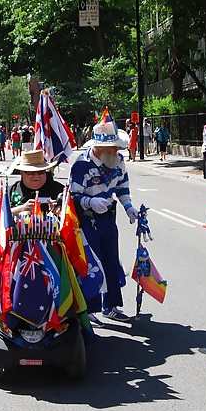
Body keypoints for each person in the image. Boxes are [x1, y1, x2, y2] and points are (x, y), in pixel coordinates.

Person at [0, 149, 65, 330]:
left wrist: (58, 210)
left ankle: (67, 312)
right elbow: (0, 216)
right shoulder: (12, 191)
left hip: (51, 244)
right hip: (15, 243)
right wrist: (20, 208)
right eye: (30, 172)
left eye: (40, 171)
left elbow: (70, 218)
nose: (36, 176)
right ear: (22, 173)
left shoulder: (59, 190)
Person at [69, 117, 139, 322]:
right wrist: (90, 202)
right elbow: (73, 195)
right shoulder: (82, 165)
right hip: (87, 221)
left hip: (108, 218)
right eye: (113, 148)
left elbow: (122, 187)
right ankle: (88, 309)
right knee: (91, 264)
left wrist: (129, 207)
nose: (117, 151)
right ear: (100, 147)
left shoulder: (118, 161)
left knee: (110, 260)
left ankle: (111, 305)